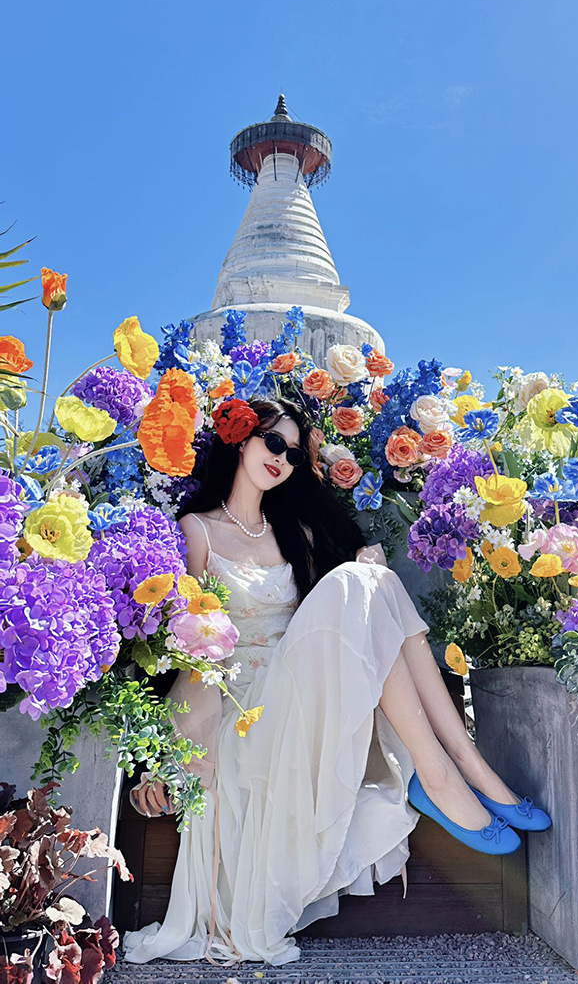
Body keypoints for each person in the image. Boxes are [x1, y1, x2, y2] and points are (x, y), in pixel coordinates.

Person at [122, 395, 550, 968]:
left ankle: (461, 768)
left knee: (372, 579)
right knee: (360, 581)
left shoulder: (294, 531)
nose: (282, 459)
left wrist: (361, 569)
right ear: (240, 439)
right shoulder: (196, 530)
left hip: (298, 694)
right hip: (242, 709)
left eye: (295, 454)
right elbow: (189, 651)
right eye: (273, 442)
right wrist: (171, 756)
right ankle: (446, 775)